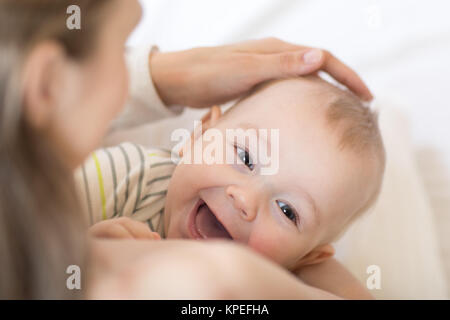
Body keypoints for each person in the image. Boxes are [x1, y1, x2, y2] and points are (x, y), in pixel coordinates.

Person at [0, 0, 373, 299]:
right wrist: (82, 257)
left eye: (288, 211)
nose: (245, 199)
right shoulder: (123, 183)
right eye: (122, 47)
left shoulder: (280, 266)